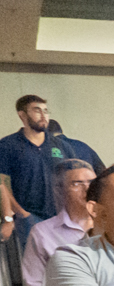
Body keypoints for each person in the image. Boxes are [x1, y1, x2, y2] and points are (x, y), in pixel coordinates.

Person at [0, 95, 88, 251]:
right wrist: (17, 215)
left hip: (63, 217)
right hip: (29, 219)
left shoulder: (62, 146)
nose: (43, 115)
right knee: (36, 263)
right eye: (37, 110)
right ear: (22, 115)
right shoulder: (8, 145)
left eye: (46, 111)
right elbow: (3, 184)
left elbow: (77, 180)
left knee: (68, 259)